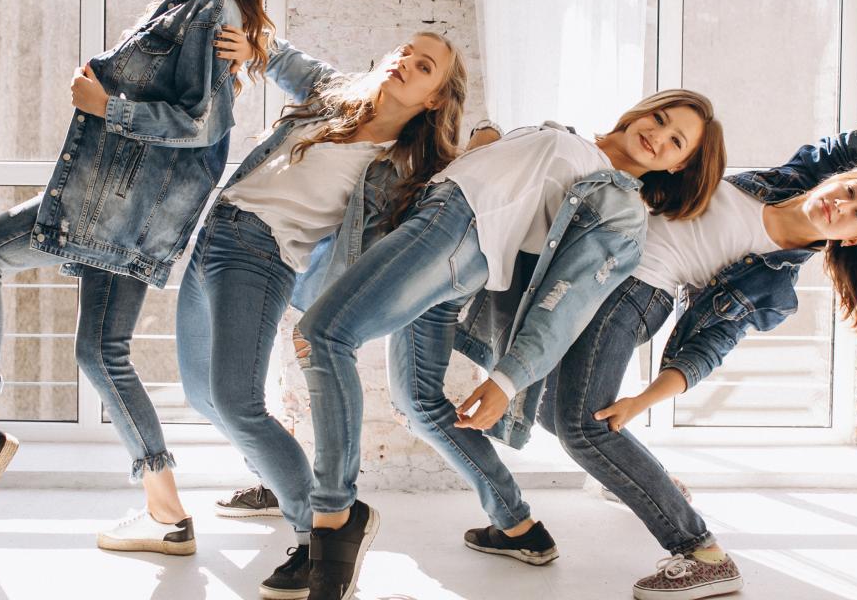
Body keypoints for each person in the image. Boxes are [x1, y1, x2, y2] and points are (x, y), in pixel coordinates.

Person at [0, 0, 271, 557]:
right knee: (101, 352)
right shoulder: (195, 7)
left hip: (114, 208)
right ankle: (167, 514)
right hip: (127, 210)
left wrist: (103, 104)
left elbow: (200, 125)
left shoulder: (211, 11)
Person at [297, 91, 726, 600]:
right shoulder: (570, 139)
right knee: (418, 401)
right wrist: (487, 139)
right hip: (440, 224)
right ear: (640, 112)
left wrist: (507, 379)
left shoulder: (622, 209)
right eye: (659, 118)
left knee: (327, 336)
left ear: (678, 166)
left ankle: (335, 521)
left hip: (455, 232)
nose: (658, 135)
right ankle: (518, 526)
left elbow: (568, 300)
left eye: (676, 141)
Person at [536, 122, 857, 600]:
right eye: (851, 191)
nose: (841, 205)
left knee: (581, 427)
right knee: (550, 412)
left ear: (855, 239)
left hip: (634, 293)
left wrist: (641, 401)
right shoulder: (786, 179)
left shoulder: (772, 285)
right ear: (840, 177)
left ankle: (703, 555)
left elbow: (705, 350)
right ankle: (642, 479)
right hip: (603, 265)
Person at [180, 26, 467, 598]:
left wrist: (328, 319)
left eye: (425, 66)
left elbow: (395, 252)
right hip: (214, 233)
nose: (406, 61)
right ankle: (283, 484)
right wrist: (253, 45)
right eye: (405, 51)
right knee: (202, 396)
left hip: (263, 253)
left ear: (435, 98)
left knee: (236, 402)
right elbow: (285, 59)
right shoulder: (335, 95)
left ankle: (320, 535)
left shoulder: (404, 172)